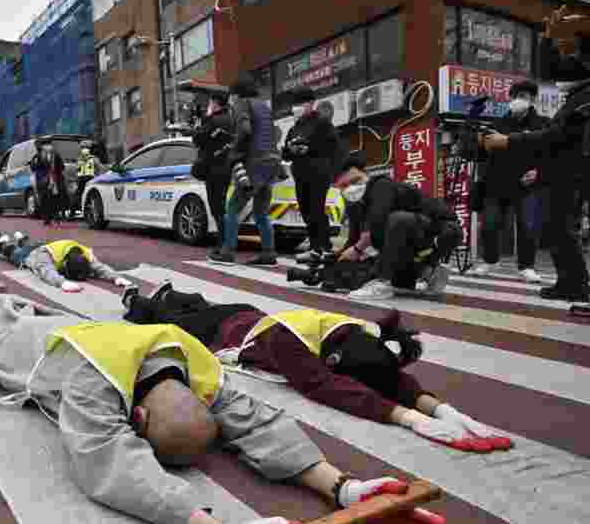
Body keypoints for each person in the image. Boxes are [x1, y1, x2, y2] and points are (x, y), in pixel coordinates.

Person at [0, 297, 453, 524]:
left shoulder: (200, 371)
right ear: (136, 420)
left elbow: (258, 422)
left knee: (11, 304)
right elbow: (109, 464)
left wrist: (344, 487)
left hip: (84, 330)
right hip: (25, 343)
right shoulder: (90, 384)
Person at [120, 283, 512, 453]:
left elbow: (386, 373)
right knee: (159, 320)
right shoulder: (292, 344)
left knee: (195, 304)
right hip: (224, 331)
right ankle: (135, 298)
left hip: (246, 316)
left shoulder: (355, 334)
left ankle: (169, 297)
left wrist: (444, 410)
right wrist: (409, 419)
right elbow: (323, 385)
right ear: (335, 360)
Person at [480, 7, 590, 303]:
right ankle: (570, 282)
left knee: (559, 228)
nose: (566, 62)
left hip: (575, 173)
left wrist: (508, 142)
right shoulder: (576, 93)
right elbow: (549, 70)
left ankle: (576, 283)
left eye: (574, 54)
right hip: (560, 174)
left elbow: (556, 136)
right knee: (555, 228)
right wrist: (547, 38)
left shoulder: (584, 98)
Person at [331, 153, 462, 300]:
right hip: (416, 235)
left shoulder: (381, 185)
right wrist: (336, 258)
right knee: (402, 284)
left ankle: (383, 282)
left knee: (397, 220)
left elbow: (376, 226)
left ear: (364, 175)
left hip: (444, 232)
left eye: (355, 181)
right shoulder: (356, 204)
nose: (351, 188)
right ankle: (426, 272)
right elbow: (354, 239)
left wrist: (358, 250)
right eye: (344, 186)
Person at [471, 80, 549, 282]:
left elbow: (553, 155)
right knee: (489, 224)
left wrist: (539, 171)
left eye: (523, 97)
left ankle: (526, 267)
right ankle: (490, 260)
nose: (518, 101)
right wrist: (479, 141)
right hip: (497, 185)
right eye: (515, 97)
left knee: (528, 225)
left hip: (528, 185)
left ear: (532, 100)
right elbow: (478, 154)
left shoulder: (543, 124)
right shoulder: (497, 125)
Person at [218, 73, 283, 266]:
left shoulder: (241, 104)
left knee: (232, 208)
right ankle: (268, 253)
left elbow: (245, 130)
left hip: (254, 164)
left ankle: (227, 251)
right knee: (261, 212)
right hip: (272, 163)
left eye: (231, 95)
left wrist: (234, 150)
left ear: (236, 93)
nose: (230, 99)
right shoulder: (264, 106)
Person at [282, 86, 345, 262]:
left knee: (317, 210)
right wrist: (291, 149)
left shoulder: (322, 122)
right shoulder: (295, 127)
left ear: (311, 104)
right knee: (306, 211)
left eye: (299, 104)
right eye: (294, 104)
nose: (295, 108)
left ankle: (323, 247)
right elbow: (285, 153)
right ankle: (315, 247)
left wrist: (309, 148)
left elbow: (333, 146)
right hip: (300, 174)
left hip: (318, 172)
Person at [0, 235, 131, 293]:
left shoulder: (85, 254)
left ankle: (22, 238)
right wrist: (62, 283)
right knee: (15, 253)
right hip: (34, 253)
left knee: (29, 244)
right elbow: (47, 271)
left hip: (46, 245)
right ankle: (0, 245)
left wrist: (116, 277)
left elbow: (100, 268)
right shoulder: (45, 257)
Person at [190, 88, 235, 263]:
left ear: (215, 104)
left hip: (213, 169)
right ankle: (224, 244)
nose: (208, 105)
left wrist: (205, 119)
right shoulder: (231, 120)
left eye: (210, 102)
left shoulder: (213, 120)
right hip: (226, 168)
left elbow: (198, 139)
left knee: (217, 209)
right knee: (221, 207)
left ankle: (223, 246)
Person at [29, 138, 67, 227]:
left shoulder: (38, 156)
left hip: (47, 181)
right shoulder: (52, 155)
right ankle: (52, 218)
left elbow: (33, 168)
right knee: (51, 199)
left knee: (47, 199)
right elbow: (62, 167)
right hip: (50, 181)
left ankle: (50, 218)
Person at [75, 140, 103, 218]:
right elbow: (99, 169)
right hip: (90, 179)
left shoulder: (80, 159)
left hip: (82, 179)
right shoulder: (93, 158)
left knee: (79, 195)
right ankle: (85, 212)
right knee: (89, 196)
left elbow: (77, 170)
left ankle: (74, 211)